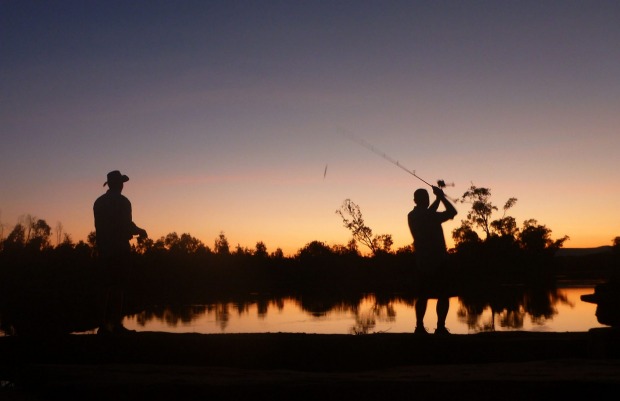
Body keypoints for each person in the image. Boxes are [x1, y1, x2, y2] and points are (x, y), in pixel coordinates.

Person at [93, 170, 147, 334]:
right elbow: (126, 225)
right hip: (119, 249)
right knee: (118, 286)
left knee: (105, 287)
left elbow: (101, 227)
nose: (123, 185)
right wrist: (141, 231)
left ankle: (102, 325)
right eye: (121, 182)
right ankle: (115, 325)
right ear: (118, 184)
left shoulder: (99, 202)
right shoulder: (123, 202)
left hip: (103, 249)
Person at [407, 185, 457, 335]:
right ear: (416, 200)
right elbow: (450, 212)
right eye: (425, 198)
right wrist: (440, 198)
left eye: (427, 198)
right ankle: (425, 327)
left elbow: (450, 212)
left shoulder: (423, 215)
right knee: (430, 296)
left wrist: (440, 198)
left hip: (429, 260)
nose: (426, 200)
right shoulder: (417, 215)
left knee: (436, 295)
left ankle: (433, 327)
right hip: (429, 261)